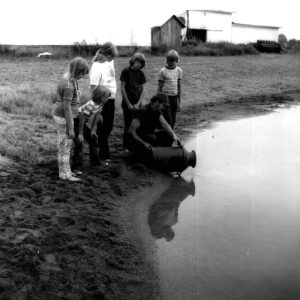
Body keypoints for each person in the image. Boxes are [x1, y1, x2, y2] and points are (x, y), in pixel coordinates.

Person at [52, 57, 89, 181]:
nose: (83, 77)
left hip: (62, 116)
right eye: (83, 74)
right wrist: (72, 128)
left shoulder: (68, 79)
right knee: (65, 147)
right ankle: (65, 175)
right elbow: (67, 108)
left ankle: (65, 171)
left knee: (63, 146)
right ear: (78, 71)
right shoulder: (69, 86)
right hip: (64, 118)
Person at [128, 92, 181, 158]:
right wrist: (143, 143)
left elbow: (165, 125)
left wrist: (174, 136)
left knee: (169, 136)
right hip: (137, 140)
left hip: (148, 136)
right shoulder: (143, 111)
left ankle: (162, 154)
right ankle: (146, 154)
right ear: (157, 102)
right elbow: (131, 131)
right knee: (153, 138)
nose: (164, 108)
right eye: (163, 105)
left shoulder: (156, 111)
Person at [89, 42, 118, 164]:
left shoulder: (110, 61)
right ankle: (103, 156)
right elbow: (93, 88)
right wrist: (97, 108)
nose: (113, 59)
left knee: (108, 127)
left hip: (111, 99)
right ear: (107, 54)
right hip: (102, 100)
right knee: (102, 128)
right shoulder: (96, 67)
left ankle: (104, 153)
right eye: (112, 56)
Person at [73, 85, 111, 170]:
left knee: (93, 139)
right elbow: (82, 118)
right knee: (79, 142)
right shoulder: (91, 104)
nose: (108, 99)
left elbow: (97, 115)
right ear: (100, 97)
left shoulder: (101, 104)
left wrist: (93, 130)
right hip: (76, 121)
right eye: (106, 97)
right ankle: (76, 166)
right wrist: (80, 134)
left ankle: (95, 162)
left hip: (82, 121)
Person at [120, 52, 146, 149]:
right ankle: (126, 146)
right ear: (133, 61)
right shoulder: (125, 71)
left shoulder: (141, 74)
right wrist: (129, 104)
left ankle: (135, 145)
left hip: (137, 103)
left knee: (136, 125)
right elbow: (122, 88)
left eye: (141, 63)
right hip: (127, 103)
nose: (139, 64)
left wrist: (138, 104)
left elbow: (143, 90)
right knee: (128, 125)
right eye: (137, 61)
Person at [157, 49, 182, 129]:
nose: (172, 63)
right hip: (165, 98)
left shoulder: (179, 70)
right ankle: (166, 134)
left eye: (174, 61)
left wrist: (179, 102)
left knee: (173, 119)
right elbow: (159, 87)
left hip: (174, 97)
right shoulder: (162, 71)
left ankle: (171, 134)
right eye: (170, 61)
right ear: (167, 61)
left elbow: (179, 86)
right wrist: (158, 100)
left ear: (177, 60)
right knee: (167, 118)